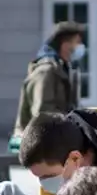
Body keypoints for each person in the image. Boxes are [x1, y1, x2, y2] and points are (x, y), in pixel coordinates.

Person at [10, 21, 85, 152]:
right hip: (41, 141)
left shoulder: (62, 68)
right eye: (77, 42)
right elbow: (42, 114)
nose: (80, 47)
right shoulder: (46, 71)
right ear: (65, 44)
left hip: (53, 137)